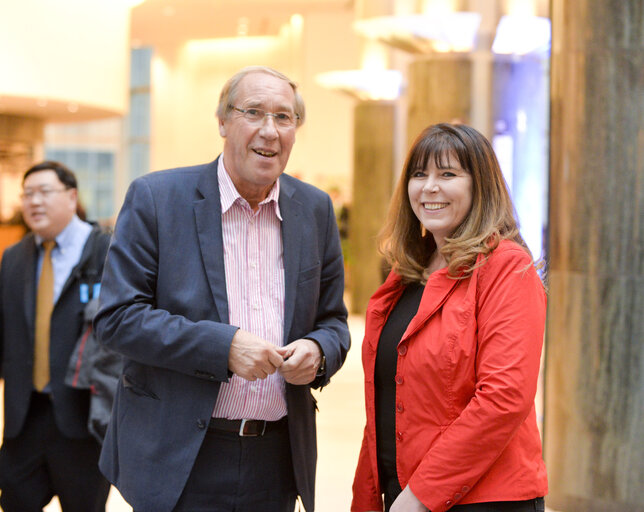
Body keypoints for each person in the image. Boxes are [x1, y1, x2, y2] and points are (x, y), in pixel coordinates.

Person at [94, 66, 351, 512]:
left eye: (284, 118)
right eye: (253, 112)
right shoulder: (157, 198)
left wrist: (319, 349)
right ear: (223, 122)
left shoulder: (314, 209)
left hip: (275, 458)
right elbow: (117, 318)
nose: (269, 131)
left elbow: (334, 320)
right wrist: (224, 347)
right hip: (180, 453)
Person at [351, 123, 547, 512]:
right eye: (419, 174)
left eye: (448, 174)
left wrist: (421, 495)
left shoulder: (507, 267)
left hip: (479, 499)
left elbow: (504, 398)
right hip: (401, 491)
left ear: (480, 186)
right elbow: (385, 401)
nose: (429, 187)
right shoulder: (406, 271)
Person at [0, 161, 112, 512]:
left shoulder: (106, 252)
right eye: (27, 194)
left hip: (83, 420)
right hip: (24, 417)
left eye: (44, 192)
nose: (34, 202)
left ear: (71, 196)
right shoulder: (14, 257)